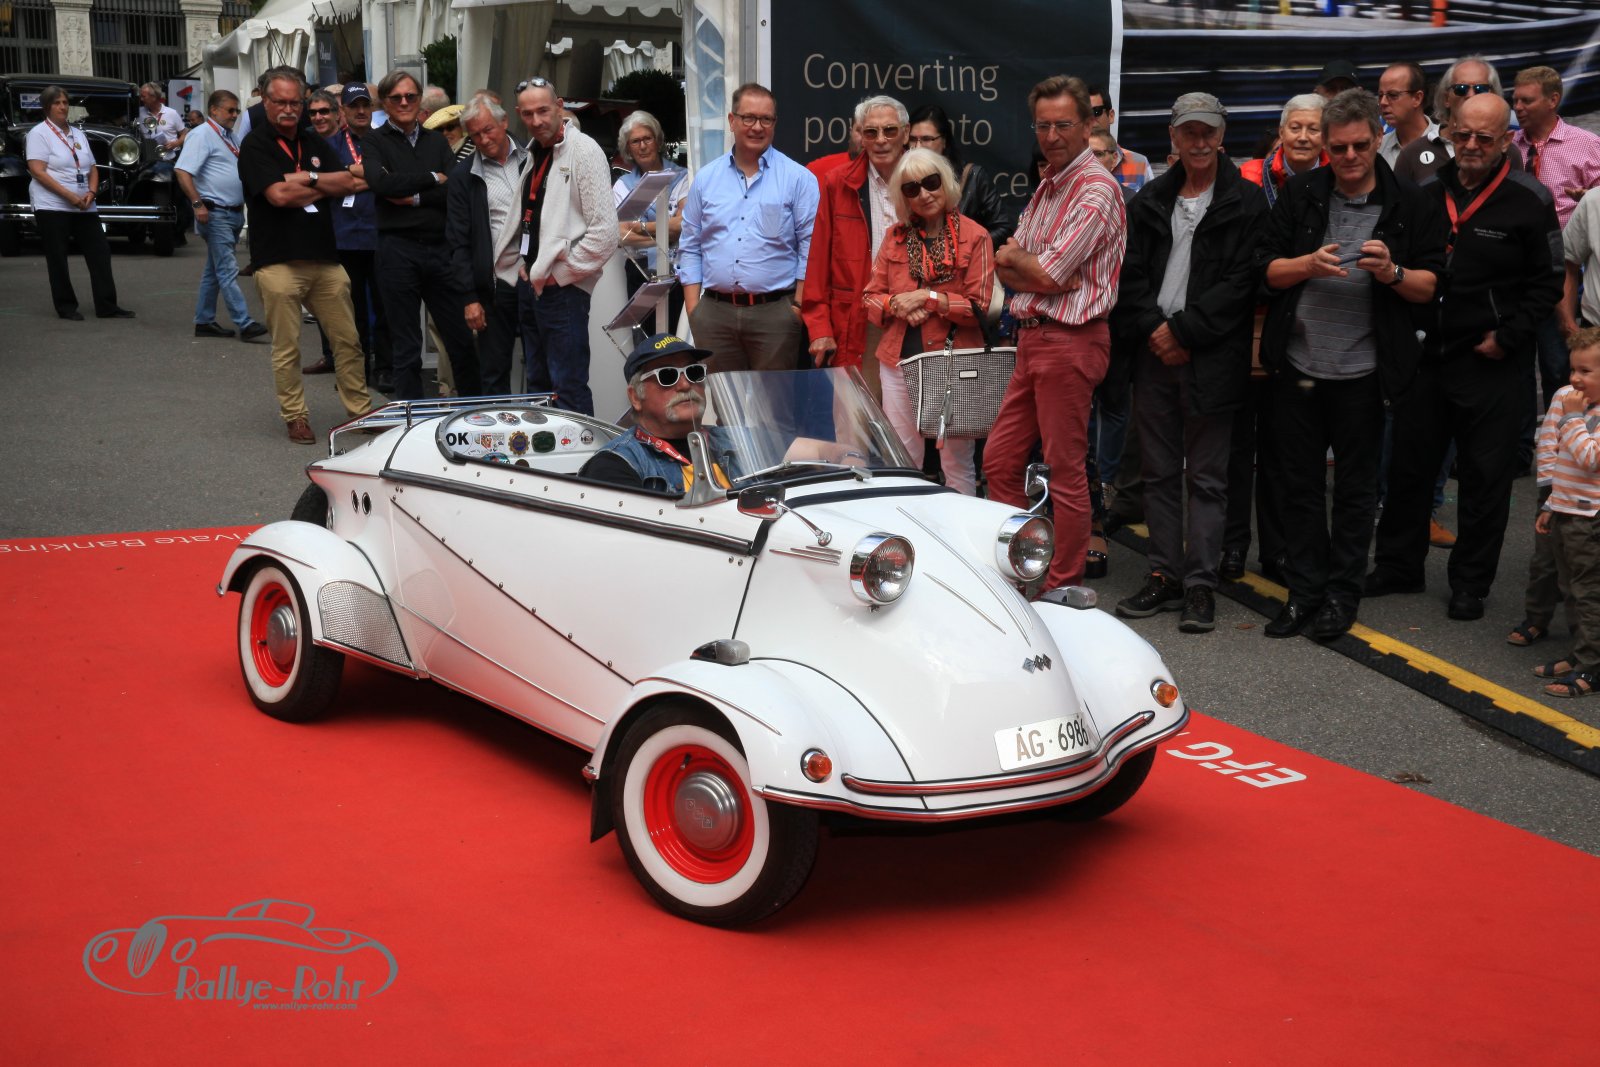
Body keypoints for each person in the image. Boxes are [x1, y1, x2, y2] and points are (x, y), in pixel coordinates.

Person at [1368, 91, 1564, 622]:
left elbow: (1547, 283)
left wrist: (1508, 337)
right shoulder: (1427, 194)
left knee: (1484, 479)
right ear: (1450, 133)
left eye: (1485, 137)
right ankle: (1398, 566)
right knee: (1409, 469)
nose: (1472, 145)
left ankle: (1470, 584)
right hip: (1429, 356)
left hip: (1492, 360)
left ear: (1505, 140)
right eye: (1463, 135)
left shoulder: (1530, 199)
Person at [1258, 89, 1446, 640]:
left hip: (1365, 373)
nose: (1349, 157)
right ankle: (1304, 592)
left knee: (1356, 492)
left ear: (1375, 139)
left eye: (1360, 146)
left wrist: (1391, 272)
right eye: (1338, 147)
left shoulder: (1409, 201)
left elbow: (1432, 286)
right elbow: (1263, 270)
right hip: (1299, 366)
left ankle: (1342, 595)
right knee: (1299, 487)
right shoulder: (1303, 192)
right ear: (1325, 145)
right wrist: (1305, 265)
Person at [1111, 92, 1268, 634]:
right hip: (1154, 352)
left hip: (1212, 355)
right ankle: (1164, 574)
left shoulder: (1247, 202)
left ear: (1221, 136)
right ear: (1173, 137)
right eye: (1189, 132)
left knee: (1207, 478)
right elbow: (1128, 276)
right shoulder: (1149, 199)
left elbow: (1242, 284)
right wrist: (1156, 330)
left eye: (1208, 132)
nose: (1199, 142)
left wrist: (1182, 332)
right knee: (1158, 474)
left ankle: (1201, 583)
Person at [984, 75, 1127, 593]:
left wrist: (1030, 266)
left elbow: (1048, 272)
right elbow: (1007, 261)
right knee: (1000, 461)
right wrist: (1031, 267)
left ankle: (1060, 587)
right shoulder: (1050, 183)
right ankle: (1016, 573)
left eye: (1063, 124)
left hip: (1070, 340)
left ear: (1089, 125)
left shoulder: (1096, 188)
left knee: (1064, 472)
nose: (1051, 135)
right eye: (1042, 125)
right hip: (1033, 338)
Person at [238, 70, 371, 444]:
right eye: (280, 102)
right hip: (277, 261)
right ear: (265, 102)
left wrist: (306, 179)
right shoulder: (255, 145)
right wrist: (320, 183)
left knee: (348, 340)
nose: (288, 109)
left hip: (324, 259)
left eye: (295, 102)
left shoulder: (314, 141)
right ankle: (295, 416)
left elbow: (348, 183)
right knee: (288, 348)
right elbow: (277, 196)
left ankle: (361, 411)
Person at [861, 148, 994, 494]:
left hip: (954, 361)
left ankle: (960, 528)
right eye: (912, 188)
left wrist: (928, 298)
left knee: (957, 463)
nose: (924, 194)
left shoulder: (975, 235)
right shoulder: (895, 237)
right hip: (898, 361)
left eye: (931, 183)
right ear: (903, 197)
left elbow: (979, 308)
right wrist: (896, 304)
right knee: (902, 460)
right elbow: (870, 298)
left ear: (945, 182)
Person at [678, 83, 819, 373]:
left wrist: (797, 307)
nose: (757, 127)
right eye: (748, 118)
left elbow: (811, 247)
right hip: (714, 315)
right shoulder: (706, 179)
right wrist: (695, 310)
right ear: (732, 120)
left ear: (775, 123)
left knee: (774, 400)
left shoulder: (798, 179)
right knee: (723, 398)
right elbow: (690, 245)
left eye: (766, 119)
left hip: (775, 315)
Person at [360, 69, 482, 400]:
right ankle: (410, 419)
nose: (404, 102)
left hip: (440, 250)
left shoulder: (435, 140)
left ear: (419, 101)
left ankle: (473, 413)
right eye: (396, 97)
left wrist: (411, 196)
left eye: (410, 96)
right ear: (385, 103)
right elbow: (381, 183)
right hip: (397, 250)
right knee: (406, 346)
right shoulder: (373, 141)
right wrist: (432, 177)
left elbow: (454, 189)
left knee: (460, 339)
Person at [512, 76, 619, 414]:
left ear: (560, 107)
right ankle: (547, 452)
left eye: (543, 110)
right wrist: (525, 265)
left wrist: (560, 274)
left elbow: (605, 234)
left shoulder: (584, 150)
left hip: (561, 290)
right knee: (540, 389)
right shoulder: (534, 151)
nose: (536, 120)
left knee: (567, 389)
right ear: (519, 114)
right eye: (528, 114)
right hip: (533, 282)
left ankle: (582, 450)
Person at [802, 94, 910, 402]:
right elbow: (818, 260)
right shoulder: (838, 182)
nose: (881, 140)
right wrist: (820, 328)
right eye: (871, 132)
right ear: (861, 135)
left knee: (910, 421)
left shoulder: (926, 180)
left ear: (905, 133)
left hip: (913, 318)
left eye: (889, 130)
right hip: (859, 319)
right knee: (855, 418)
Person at [1511, 65, 1600, 413]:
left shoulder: (1588, 146)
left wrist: (1587, 198)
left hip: (1561, 273)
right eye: (1515, 100)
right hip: (1515, 273)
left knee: (1560, 366)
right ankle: (1521, 441)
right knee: (1515, 369)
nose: (1518, 107)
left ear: (1553, 100)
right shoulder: (1508, 147)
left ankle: (1566, 430)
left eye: (1527, 100)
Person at [1527, 329, 1600, 697]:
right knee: (1570, 588)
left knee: (1589, 594)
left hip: (1590, 520)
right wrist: (1550, 505)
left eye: (1585, 371)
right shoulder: (1575, 403)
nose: (1575, 378)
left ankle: (1593, 668)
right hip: (1566, 510)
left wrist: (1572, 418)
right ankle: (1579, 654)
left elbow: (1590, 459)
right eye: (1573, 369)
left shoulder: (1580, 413)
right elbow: (1560, 461)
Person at [447, 95, 530, 396]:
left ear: (504, 122)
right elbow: (458, 241)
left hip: (537, 276)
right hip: (495, 285)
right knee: (494, 372)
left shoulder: (532, 159)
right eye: (475, 135)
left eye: (488, 130)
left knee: (542, 366)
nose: (483, 140)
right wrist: (469, 297)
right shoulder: (463, 176)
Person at [26, 85, 132, 321]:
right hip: (53, 205)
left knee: (100, 252)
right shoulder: (38, 134)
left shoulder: (77, 133)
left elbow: (92, 167)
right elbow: (38, 171)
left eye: (65, 102)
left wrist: (91, 192)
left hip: (84, 204)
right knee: (58, 256)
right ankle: (66, 306)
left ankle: (107, 305)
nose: (63, 107)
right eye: (57, 103)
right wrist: (70, 196)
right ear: (47, 107)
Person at [579, 334, 728, 493]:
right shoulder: (613, 465)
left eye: (693, 372)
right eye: (667, 375)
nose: (685, 385)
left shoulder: (739, 441)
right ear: (635, 397)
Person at [312, 83, 390, 387]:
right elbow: (326, 184)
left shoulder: (384, 141)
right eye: (353, 106)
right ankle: (357, 370)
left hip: (380, 235)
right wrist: (373, 177)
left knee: (385, 308)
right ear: (343, 110)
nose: (360, 111)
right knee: (350, 311)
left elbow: (393, 177)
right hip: (344, 237)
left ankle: (385, 368)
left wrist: (349, 174)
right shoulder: (329, 145)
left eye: (365, 105)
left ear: (372, 108)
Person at [175, 89, 266, 341]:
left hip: (232, 213)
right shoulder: (201, 134)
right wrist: (197, 204)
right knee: (227, 269)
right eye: (230, 110)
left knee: (214, 270)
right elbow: (182, 171)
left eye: (237, 111)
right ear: (214, 110)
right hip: (215, 213)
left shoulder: (230, 136)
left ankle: (204, 321)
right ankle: (245, 323)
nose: (235, 115)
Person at [613, 109, 690, 333]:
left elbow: (683, 225)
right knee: (646, 340)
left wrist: (641, 227)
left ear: (657, 141)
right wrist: (666, 237)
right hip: (640, 273)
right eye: (635, 141)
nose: (642, 146)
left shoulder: (682, 176)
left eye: (647, 139)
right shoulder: (622, 185)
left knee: (676, 338)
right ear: (628, 148)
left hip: (678, 271)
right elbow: (621, 235)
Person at [906, 104, 1014, 247]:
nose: (918, 147)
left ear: (944, 141)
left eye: (926, 139)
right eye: (913, 139)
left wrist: (966, 248)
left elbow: (1003, 229)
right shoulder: (904, 180)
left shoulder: (972, 177)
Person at [1240, 94, 1328, 210]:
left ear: (1326, 137)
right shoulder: (1248, 175)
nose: (1303, 138)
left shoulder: (1338, 176)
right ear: (1281, 133)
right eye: (1295, 128)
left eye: (1313, 129)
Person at [1087, 86, 1153, 197]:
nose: (1090, 120)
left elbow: (1149, 206)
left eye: (1096, 111)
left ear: (1111, 115)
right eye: (1083, 114)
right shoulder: (1069, 164)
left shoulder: (1139, 163)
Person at [1377, 62, 1435, 167]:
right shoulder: (1378, 149)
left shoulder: (1447, 144)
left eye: (1393, 95)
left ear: (1417, 98)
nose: (1383, 102)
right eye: (1380, 95)